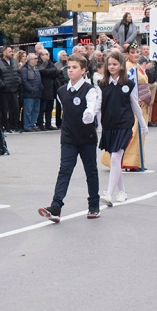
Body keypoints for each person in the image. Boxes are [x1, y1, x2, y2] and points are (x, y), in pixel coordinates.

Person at [39, 53, 102, 223]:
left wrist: (89, 114)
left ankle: (94, 204)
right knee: (65, 170)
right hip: (68, 137)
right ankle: (56, 207)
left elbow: (91, 106)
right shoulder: (61, 91)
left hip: (86, 137)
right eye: (69, 67)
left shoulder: (90, 90)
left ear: (83, 71)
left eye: (75, 67)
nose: (71, 70)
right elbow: (66, 110)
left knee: (91, 171)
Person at [98, 51, 147, 206]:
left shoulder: (128, 84)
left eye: (115, 64)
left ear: (121, 66)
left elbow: (135, 105)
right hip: (109, 126)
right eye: (109, 64)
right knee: (115, 160)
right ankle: (123, 191)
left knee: (115, 158)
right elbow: (99, 106)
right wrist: (98, 125)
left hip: (124, 125)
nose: (112, 67)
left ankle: (109, 193)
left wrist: (143, 124)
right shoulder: (102, 84)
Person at [0, 45, 21, 133]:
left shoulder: (14, 61)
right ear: (4, 52)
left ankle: (15, 125)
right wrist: (2, 85)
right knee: (4, 110)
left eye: (12, 51)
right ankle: (5, 126)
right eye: (9, 51)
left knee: (15, 108)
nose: (11, 53)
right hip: (4, 90)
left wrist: (18, 81)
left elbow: (17, 72)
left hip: (14, 88)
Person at [20, 52, 42, 132]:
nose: (37, 60)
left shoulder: (36, 68)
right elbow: (24, 81)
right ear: (30, 60)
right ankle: (27, 126)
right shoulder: (25, 69)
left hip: (37, 93)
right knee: (28, 111)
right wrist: (31, 89)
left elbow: (39, 80)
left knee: (36, 110)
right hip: (29, 94)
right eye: (35, 59)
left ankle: (32, 124)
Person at [38, 50, 59, 131]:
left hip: (51, 88)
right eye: (46, 54)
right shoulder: (39, 63)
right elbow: (43, 71)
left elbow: (56, 71)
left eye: (48, 54)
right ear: (41, 55)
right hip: (44, 88)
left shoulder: (50, 62)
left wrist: (51, 72)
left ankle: (48, 124)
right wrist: (51, 72)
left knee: (50, 108)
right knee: (42, 108)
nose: (48, 55)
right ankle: (40, 124)